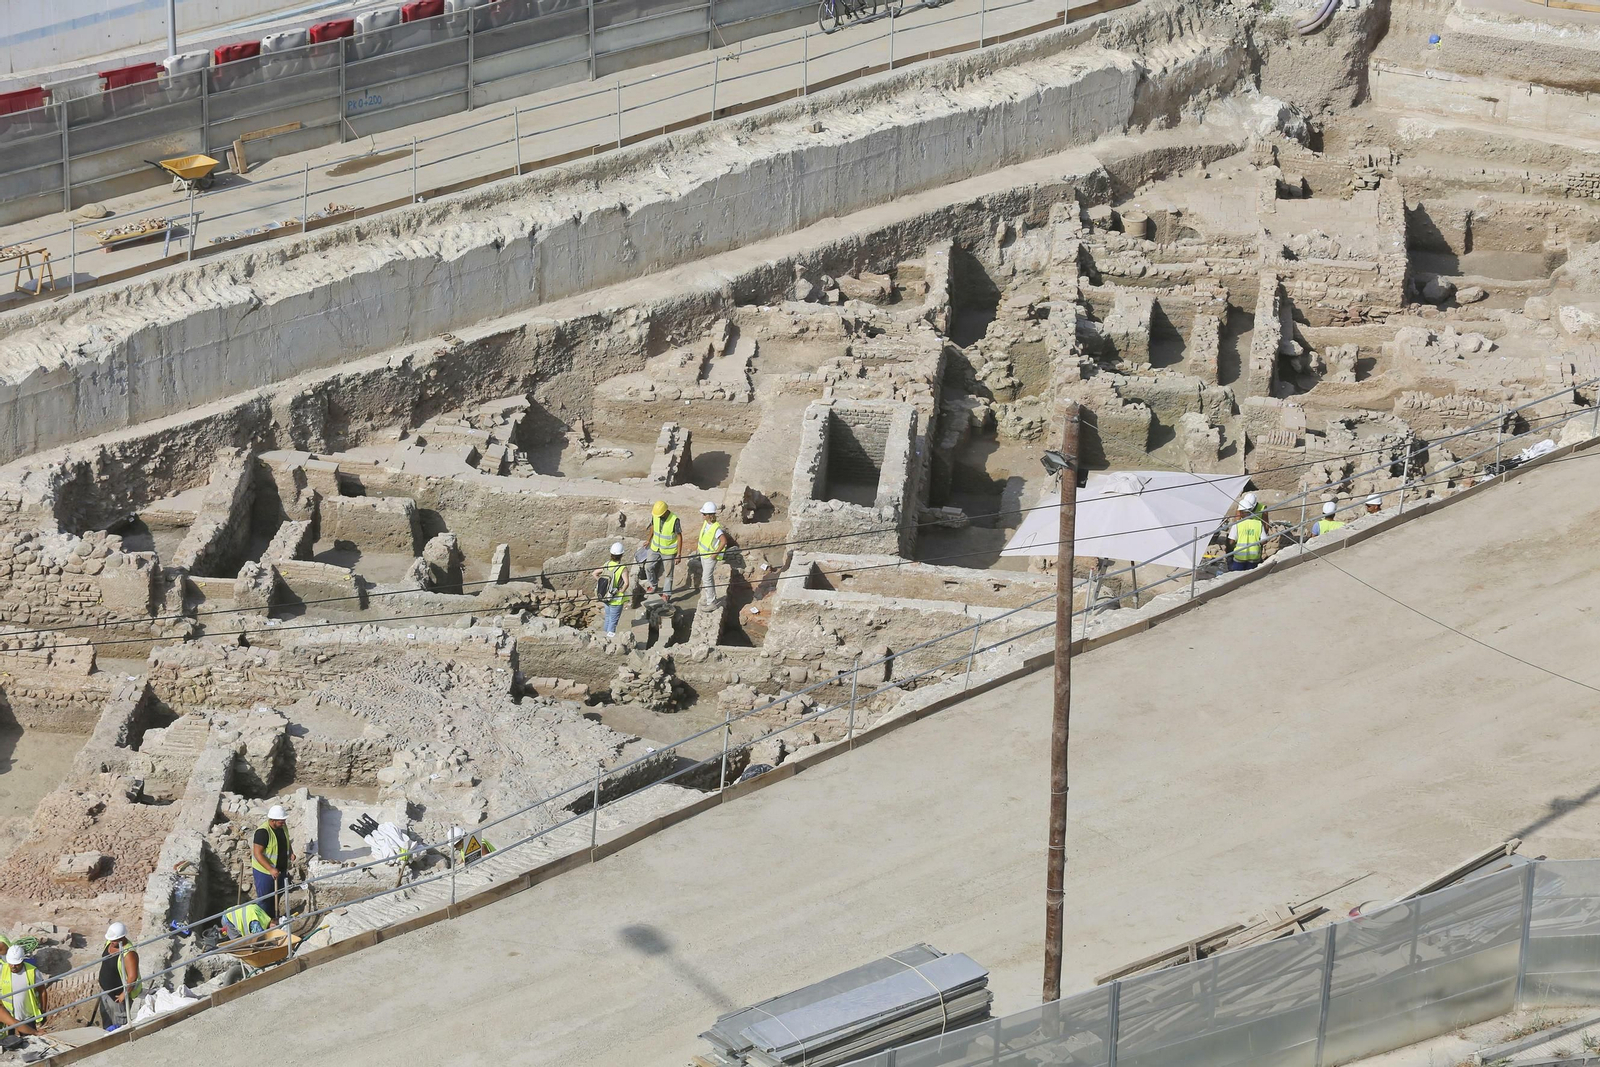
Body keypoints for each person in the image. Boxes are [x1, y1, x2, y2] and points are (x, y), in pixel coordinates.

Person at [251, 804, 294, 922]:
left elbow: (286, 840)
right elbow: (257, 854)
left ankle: (274, 918)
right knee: (265, 899)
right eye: (281, 821)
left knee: (277, 894)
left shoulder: (283, 827)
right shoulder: (262, 832)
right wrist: (270, 869)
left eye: (284, 820)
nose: (284, 823)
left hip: (280, 870)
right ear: (273, 820)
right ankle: (263, 922)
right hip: (265, 873)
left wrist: (291, 852)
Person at [97, 922, 141, 1031]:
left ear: (122, 938)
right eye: (110, 940)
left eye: (114, 940)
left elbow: (132, 977)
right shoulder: (109, 943)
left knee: (118, 1022)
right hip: (105, 990)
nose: (111, 942)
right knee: (106, 1016)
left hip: (117, 996)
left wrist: (123, 994)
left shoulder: (129, 954)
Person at [0, 944, 45, 1037]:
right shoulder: (1, 970)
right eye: (11, 963)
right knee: (10, 1042)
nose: (13, 966)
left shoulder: (32, 971)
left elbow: (42, 991)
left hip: (27, 1017)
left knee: (29, 1042)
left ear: (22, 960)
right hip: (9, 1016)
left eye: (16, 964)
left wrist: (43, 1012)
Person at [593, 542, 631, 635]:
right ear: (621, 555)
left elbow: (594, 573)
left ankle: (604, 638)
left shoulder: (607, 564)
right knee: (613, 621)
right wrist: (620, 591)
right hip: (616, 599)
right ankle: (609, 639)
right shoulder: (622, 568)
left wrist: (601, 583)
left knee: (608, 618)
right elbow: (626, 583)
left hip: (606, 596)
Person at [695, 501, 726, 606]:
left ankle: (711, 602)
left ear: (710, 515)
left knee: (706, 578)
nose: (702, 516)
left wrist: (715, 554)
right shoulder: (706, 524)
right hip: (704, 555)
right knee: (708, 578)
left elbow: (723, 541)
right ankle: (710, 597)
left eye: (704, 514)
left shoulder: (716, 528)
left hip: (710, 557)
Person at [1225, 493, 1266, 571]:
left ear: (1241, 512)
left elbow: (1231, 542)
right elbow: (1264, 541)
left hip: (1239, 558)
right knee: (1251, 578)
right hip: (1254, 558)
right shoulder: (1259, 524)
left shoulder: (1237, 524)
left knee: (1237, 578)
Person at [649, 501, 682, 598]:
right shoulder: (655, 515)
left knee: (668, 573)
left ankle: (666, 594)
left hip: (668, 551)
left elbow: (679, 537)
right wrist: (648, 539)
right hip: (655, 547)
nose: (658, 516)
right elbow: (653, 527)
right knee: (648, 566)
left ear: (665, 511)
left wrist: (679, 554)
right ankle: (653, 585)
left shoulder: (674, 520)